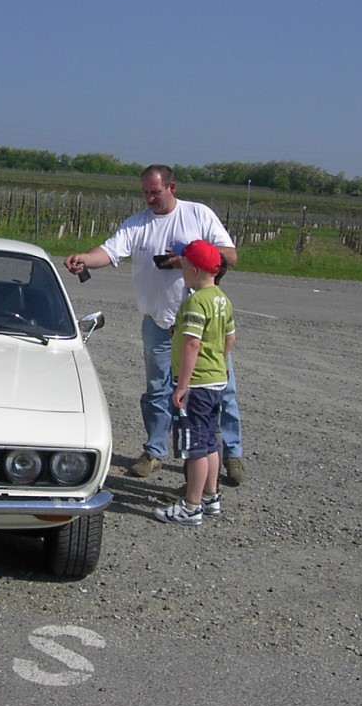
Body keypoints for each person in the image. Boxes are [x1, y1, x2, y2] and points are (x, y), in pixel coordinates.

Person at [63, 164, 246, 484]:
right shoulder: (138, 224)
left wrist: (189, 257)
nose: (149, 197)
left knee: (221, 389)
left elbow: (229, 256)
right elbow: (110, 250)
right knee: (157, 391)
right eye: (145, 191)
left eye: (155, 191)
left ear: (172, 188)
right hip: (159, 323)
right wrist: (85, 259)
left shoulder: (198, 215)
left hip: (201, 322)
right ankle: (155, 451)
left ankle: (232, 454)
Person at [153, 239, 235, 525]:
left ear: (196, 269)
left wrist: (182, 385)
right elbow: (230, 337)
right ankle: (211, 496)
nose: (182, 271)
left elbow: (191, 344)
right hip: (215, 380)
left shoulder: (195, 302)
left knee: (195, 447)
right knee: (210, 441)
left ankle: (192, 505)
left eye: (185, 266)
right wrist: (221, 362)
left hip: (197, 384)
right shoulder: (222, 299)